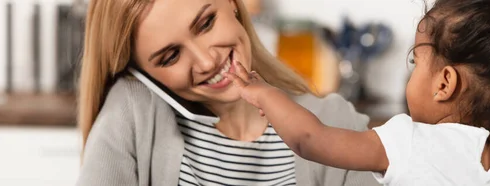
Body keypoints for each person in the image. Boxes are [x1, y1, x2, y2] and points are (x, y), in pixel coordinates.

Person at [225, 0, 490, 185]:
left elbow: (310, 139)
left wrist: (263, 92)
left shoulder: (408, 141)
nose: (412, 69)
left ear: (444, 84)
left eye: (415, 60)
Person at [76, 0, 379, 185]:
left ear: (232, 2)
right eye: (170, 57)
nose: (207, 61)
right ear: (142, 73)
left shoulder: (337, 123)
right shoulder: (132, 112)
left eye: (206, 23)